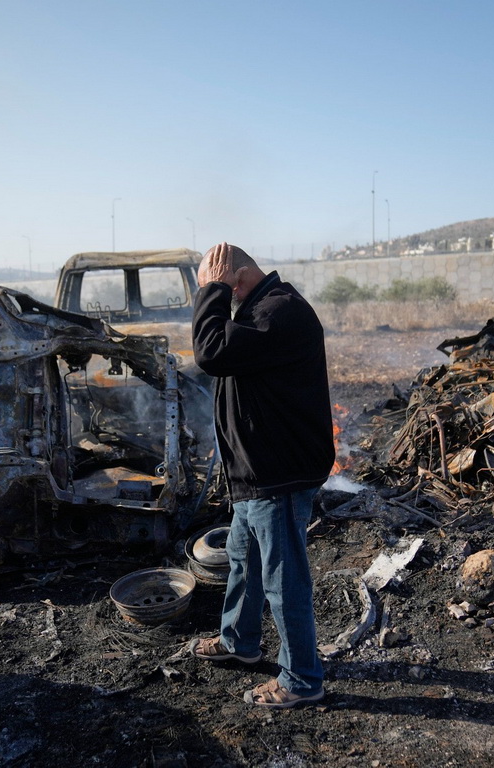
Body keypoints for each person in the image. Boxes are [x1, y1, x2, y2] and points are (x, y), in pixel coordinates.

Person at [187, 242, 336, 709]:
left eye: (220, 284)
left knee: (282, 576)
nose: (219, 297)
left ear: (235, 278)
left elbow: (210, 353)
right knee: (244, 560)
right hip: (256, 471)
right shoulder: (257, 312)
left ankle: (301, 679)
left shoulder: (280, 312)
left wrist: (210, 290)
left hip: (279, 471)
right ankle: (239, 642)